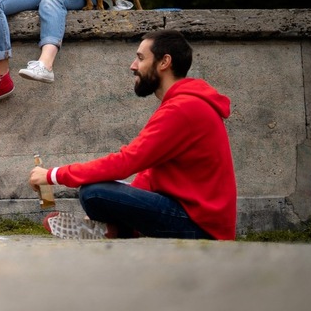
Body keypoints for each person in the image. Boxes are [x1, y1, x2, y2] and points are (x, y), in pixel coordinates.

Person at [29, 30, 237, 240]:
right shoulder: (184, 103)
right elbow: (151, 171)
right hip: (195, 217)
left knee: (94, 193)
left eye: (140, 58)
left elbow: (126, 162)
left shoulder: (182, 108)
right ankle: (116, 230)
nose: (133, 66)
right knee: (102, 191)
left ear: (164, 62)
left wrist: (52, 175)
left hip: (201, 227)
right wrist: (121, 209)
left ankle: (119, 230)